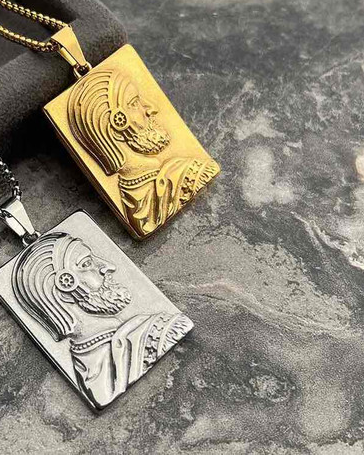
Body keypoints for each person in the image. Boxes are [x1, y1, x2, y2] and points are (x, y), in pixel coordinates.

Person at [12, 232, 192, 409]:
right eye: (86, 263)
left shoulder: (89, 372)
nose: (108, 266)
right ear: (66, 286)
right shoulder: (162, 332)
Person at [68, 69, 219, 236]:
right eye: (134, 103)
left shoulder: (132, 202)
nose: (151, 109)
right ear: (118, 124)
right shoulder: (191, 174)